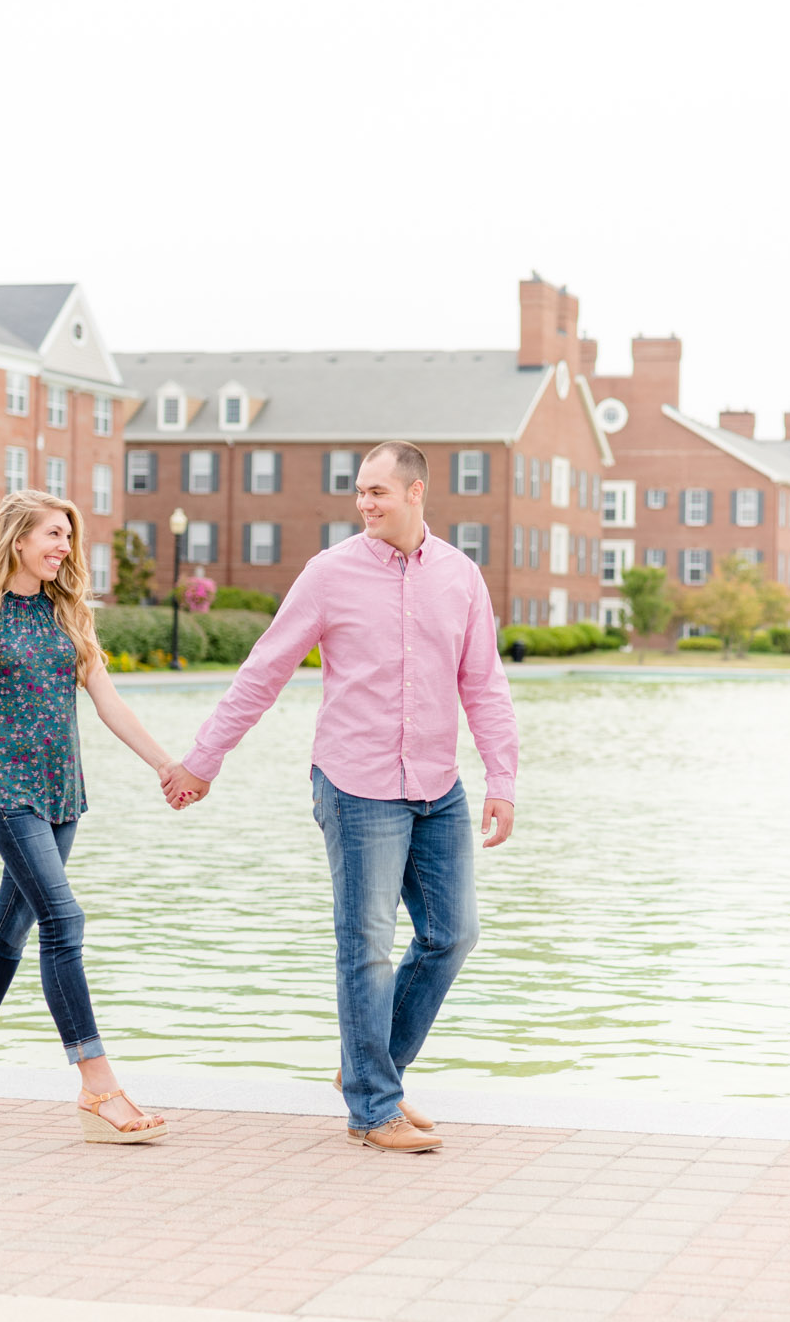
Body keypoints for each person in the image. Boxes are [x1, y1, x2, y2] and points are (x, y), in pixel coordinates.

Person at [162, 441, 518, 1154]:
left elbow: (484, 685)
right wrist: (203, 760)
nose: (365, 503)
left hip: (436, 785)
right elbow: (263, 670)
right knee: (367, 948)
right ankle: (372, 1107)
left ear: (417, 492)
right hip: (356, 786)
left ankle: (368, 1067)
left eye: (379, 491)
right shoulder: (329, 575)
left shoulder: (460, 576)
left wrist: (502, 779)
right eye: (360, 491)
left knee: (454, 934)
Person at [0, 489, 185, 1144]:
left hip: (59, 790)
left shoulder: (68, 615)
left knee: (7, 932)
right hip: (1, 785)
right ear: (17, 538)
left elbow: (110, 703)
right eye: (53, 534)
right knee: (63, 918)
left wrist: (166, 764)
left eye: (68, 538)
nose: (64, 548)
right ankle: (98, 1085)